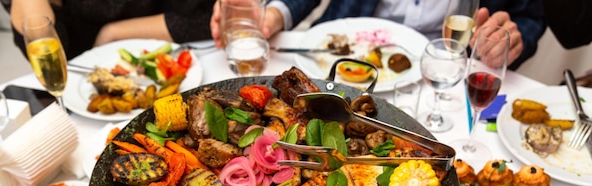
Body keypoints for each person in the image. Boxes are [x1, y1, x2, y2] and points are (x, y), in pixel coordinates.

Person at [210, 0, 545, 70]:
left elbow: (530, 16)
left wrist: (510, 39)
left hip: (447, 69)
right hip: (342, 57)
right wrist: (269, 17)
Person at [2, 0, 215, 60]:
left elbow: (212, 16)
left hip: (173, 59)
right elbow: (51, 53)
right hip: (85, 87)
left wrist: (114, 32)